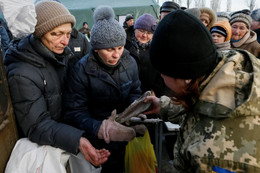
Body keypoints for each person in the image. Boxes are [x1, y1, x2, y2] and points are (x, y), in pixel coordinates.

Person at [144, 9, 260, 172]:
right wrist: (162, 105)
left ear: (182, 76)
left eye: (162, 73)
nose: (161, 77)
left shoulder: (212, 156)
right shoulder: (223, 69)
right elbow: (202, 104)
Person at [4, 1, 110, 172]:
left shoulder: (61, 55)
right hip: (44, 144)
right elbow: (37, 125)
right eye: (57, 34)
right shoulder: (22, 71)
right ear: (39, 33)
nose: (64, 41)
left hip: (62, 133)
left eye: (68, 34)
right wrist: (78, 140)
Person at [63, 6, 143, 173]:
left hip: (123, 137)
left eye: (120, 48)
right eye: (110, 49)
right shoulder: (81, 70)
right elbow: (74, 111)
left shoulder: (130, 62)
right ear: (97, 48)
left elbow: (135, 91)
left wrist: (135, 110)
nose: (116, 55)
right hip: (96, 143)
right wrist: (99, 127)